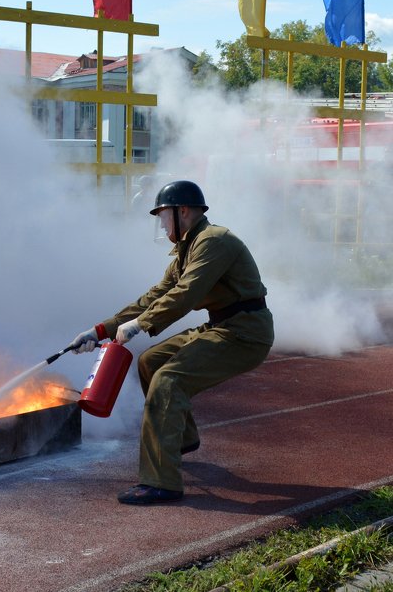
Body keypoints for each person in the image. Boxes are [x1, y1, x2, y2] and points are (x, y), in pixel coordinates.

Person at [71, 180, 273, 505]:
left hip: (245, 333)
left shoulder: (213, 241)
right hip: (222, 325)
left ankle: (161, 482)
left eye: (164, 216)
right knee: (151, 361)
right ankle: (181, 438)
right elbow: (154, 296)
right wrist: (100, 330)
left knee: (168, 381)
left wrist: (140, 325)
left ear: (183, 212)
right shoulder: (186, 249)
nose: (162, 224)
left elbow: (185, 294)